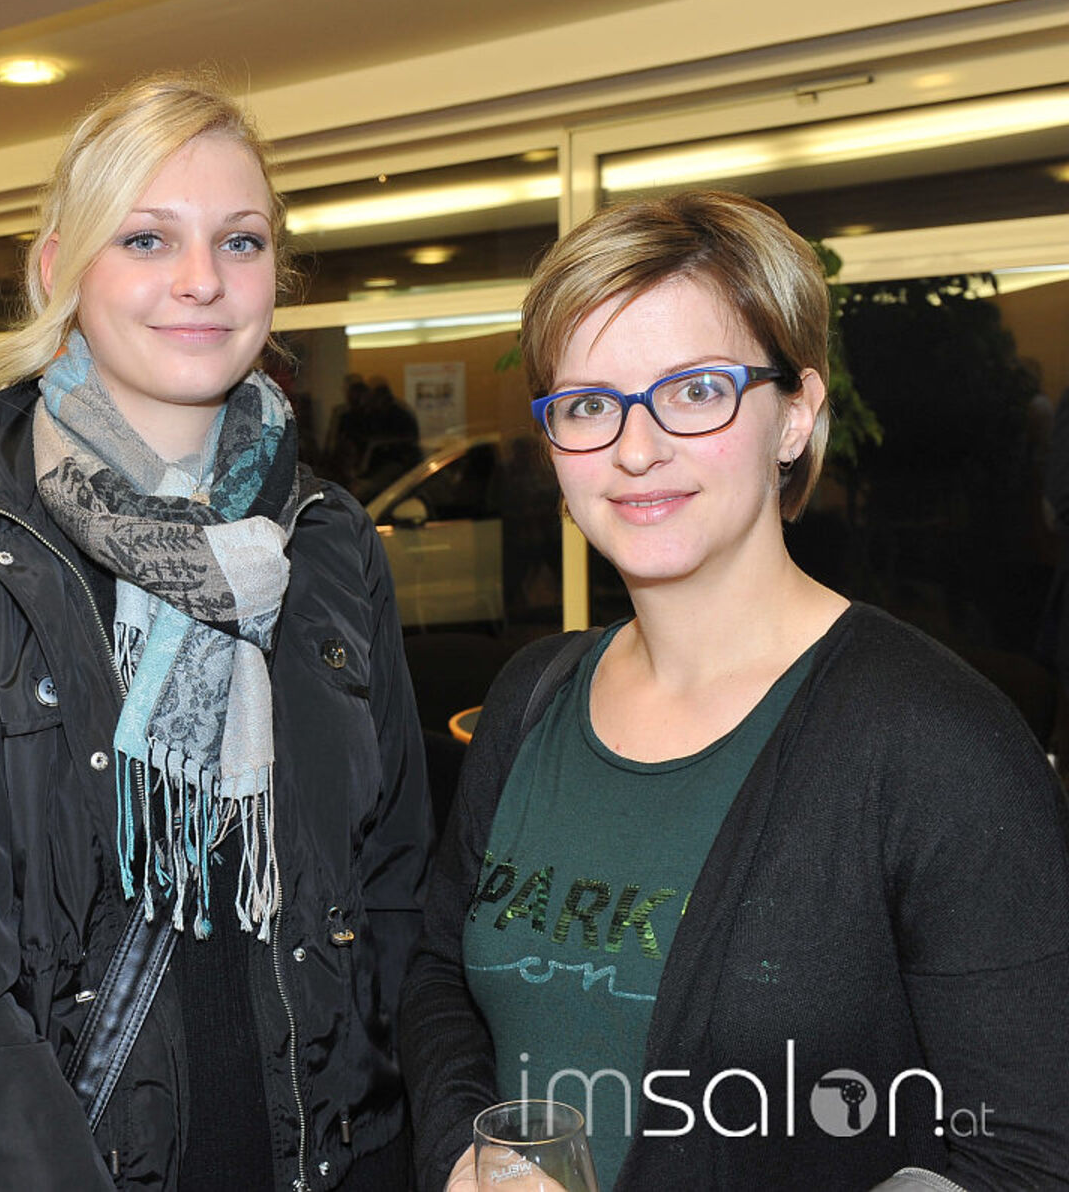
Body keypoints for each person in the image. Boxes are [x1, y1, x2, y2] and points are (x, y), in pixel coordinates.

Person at [401, 191, 1069, 1191]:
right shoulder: (531, 697)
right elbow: (439, 974)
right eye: (589, 404)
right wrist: (469, 1149)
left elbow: (1024, 1152)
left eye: (696, 390)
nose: (635, 448)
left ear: (796, 414)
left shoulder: (939, 745)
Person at [0, 75, 430, 1191]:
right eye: (147, 238)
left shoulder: (327, 537)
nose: (202, 279)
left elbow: (394, 884)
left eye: (241, 240)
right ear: (59, 272)